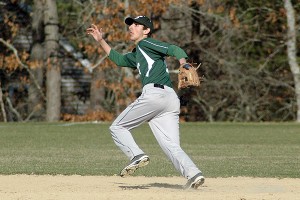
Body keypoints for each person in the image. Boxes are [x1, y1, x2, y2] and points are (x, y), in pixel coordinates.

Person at [87, 15, 204, 189]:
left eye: (136, 24)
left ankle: (136, 155)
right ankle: (193, 174)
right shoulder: (138, 53)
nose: (131, 27)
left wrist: (184, 64)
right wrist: (101, 41)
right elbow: (119, 60)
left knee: (118, 127)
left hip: (155, 95)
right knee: (171, 145)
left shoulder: (145, 43)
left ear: (146, 30)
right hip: (170, 99)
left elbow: (175, 49)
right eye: (130, 25)